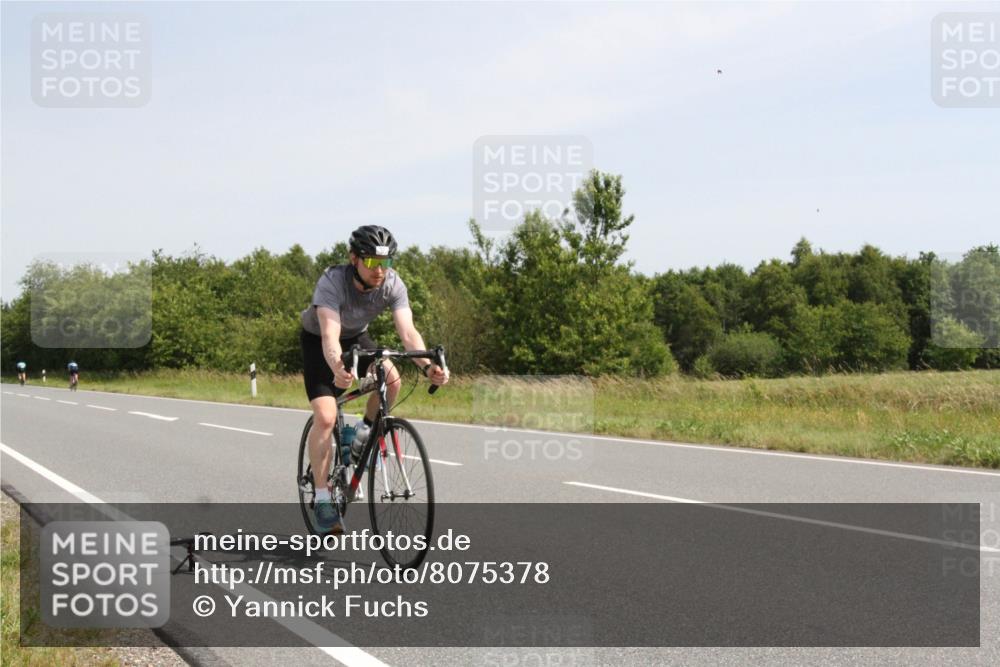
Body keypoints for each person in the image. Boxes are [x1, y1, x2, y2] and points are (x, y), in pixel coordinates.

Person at [300, 225, 448, 534]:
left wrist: (427, 366)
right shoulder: (332, 281)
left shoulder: (392, 283)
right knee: (326, 417)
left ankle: (362, 434)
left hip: (356, 337)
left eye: (386, 262)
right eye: (371, 262)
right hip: (319, 341)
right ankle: (323, 498)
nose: (379, 270)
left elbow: (408, 332)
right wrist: (337, 366)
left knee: (392, 379)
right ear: (354, 259)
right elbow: (330, 335)